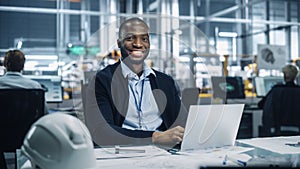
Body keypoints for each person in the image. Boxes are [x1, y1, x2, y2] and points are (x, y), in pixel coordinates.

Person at [86, 17, 187, 148]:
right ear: (119, 43)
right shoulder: (102, 80)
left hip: (165, 152)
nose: (138, 44)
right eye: (130, 38)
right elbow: (101, 131)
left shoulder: (165, 82)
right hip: (124, 152)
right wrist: (155, 137)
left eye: (144, 39)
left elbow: (183, 122)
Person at [0, 49, 48, 114]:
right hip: (28, 124)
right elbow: (44, 112)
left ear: (5, 65)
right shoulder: (35, 87)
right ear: (23, 66)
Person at [258, 64, 299, 135]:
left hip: (278, 130)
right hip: (297, 130)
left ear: (284, 76)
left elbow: (261, 104)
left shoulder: (276, 90)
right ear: (295, 76)